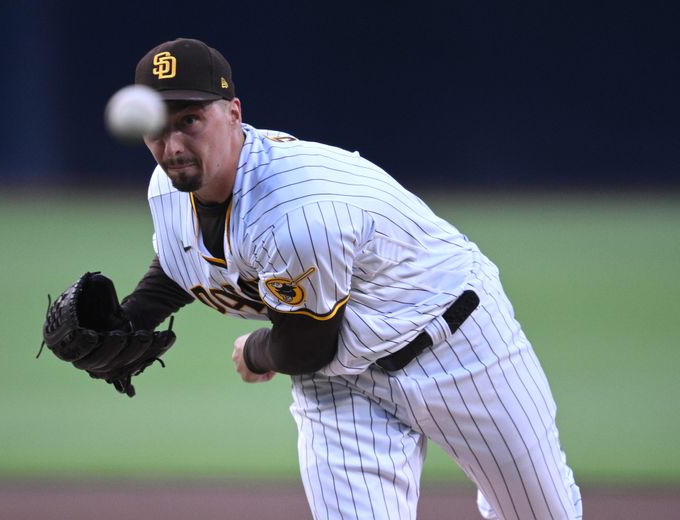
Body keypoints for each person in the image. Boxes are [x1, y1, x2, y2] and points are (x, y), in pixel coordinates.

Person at [119, 37, 583, 519]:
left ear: (234, 113)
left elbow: (307, 346)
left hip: (459, 344)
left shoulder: (294, 210)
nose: (172, 146)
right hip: (340, 382)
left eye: (190, 120)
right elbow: (185, 262)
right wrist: (126, 319)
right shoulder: (168, 188)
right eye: (157, 126)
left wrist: (256, 351)